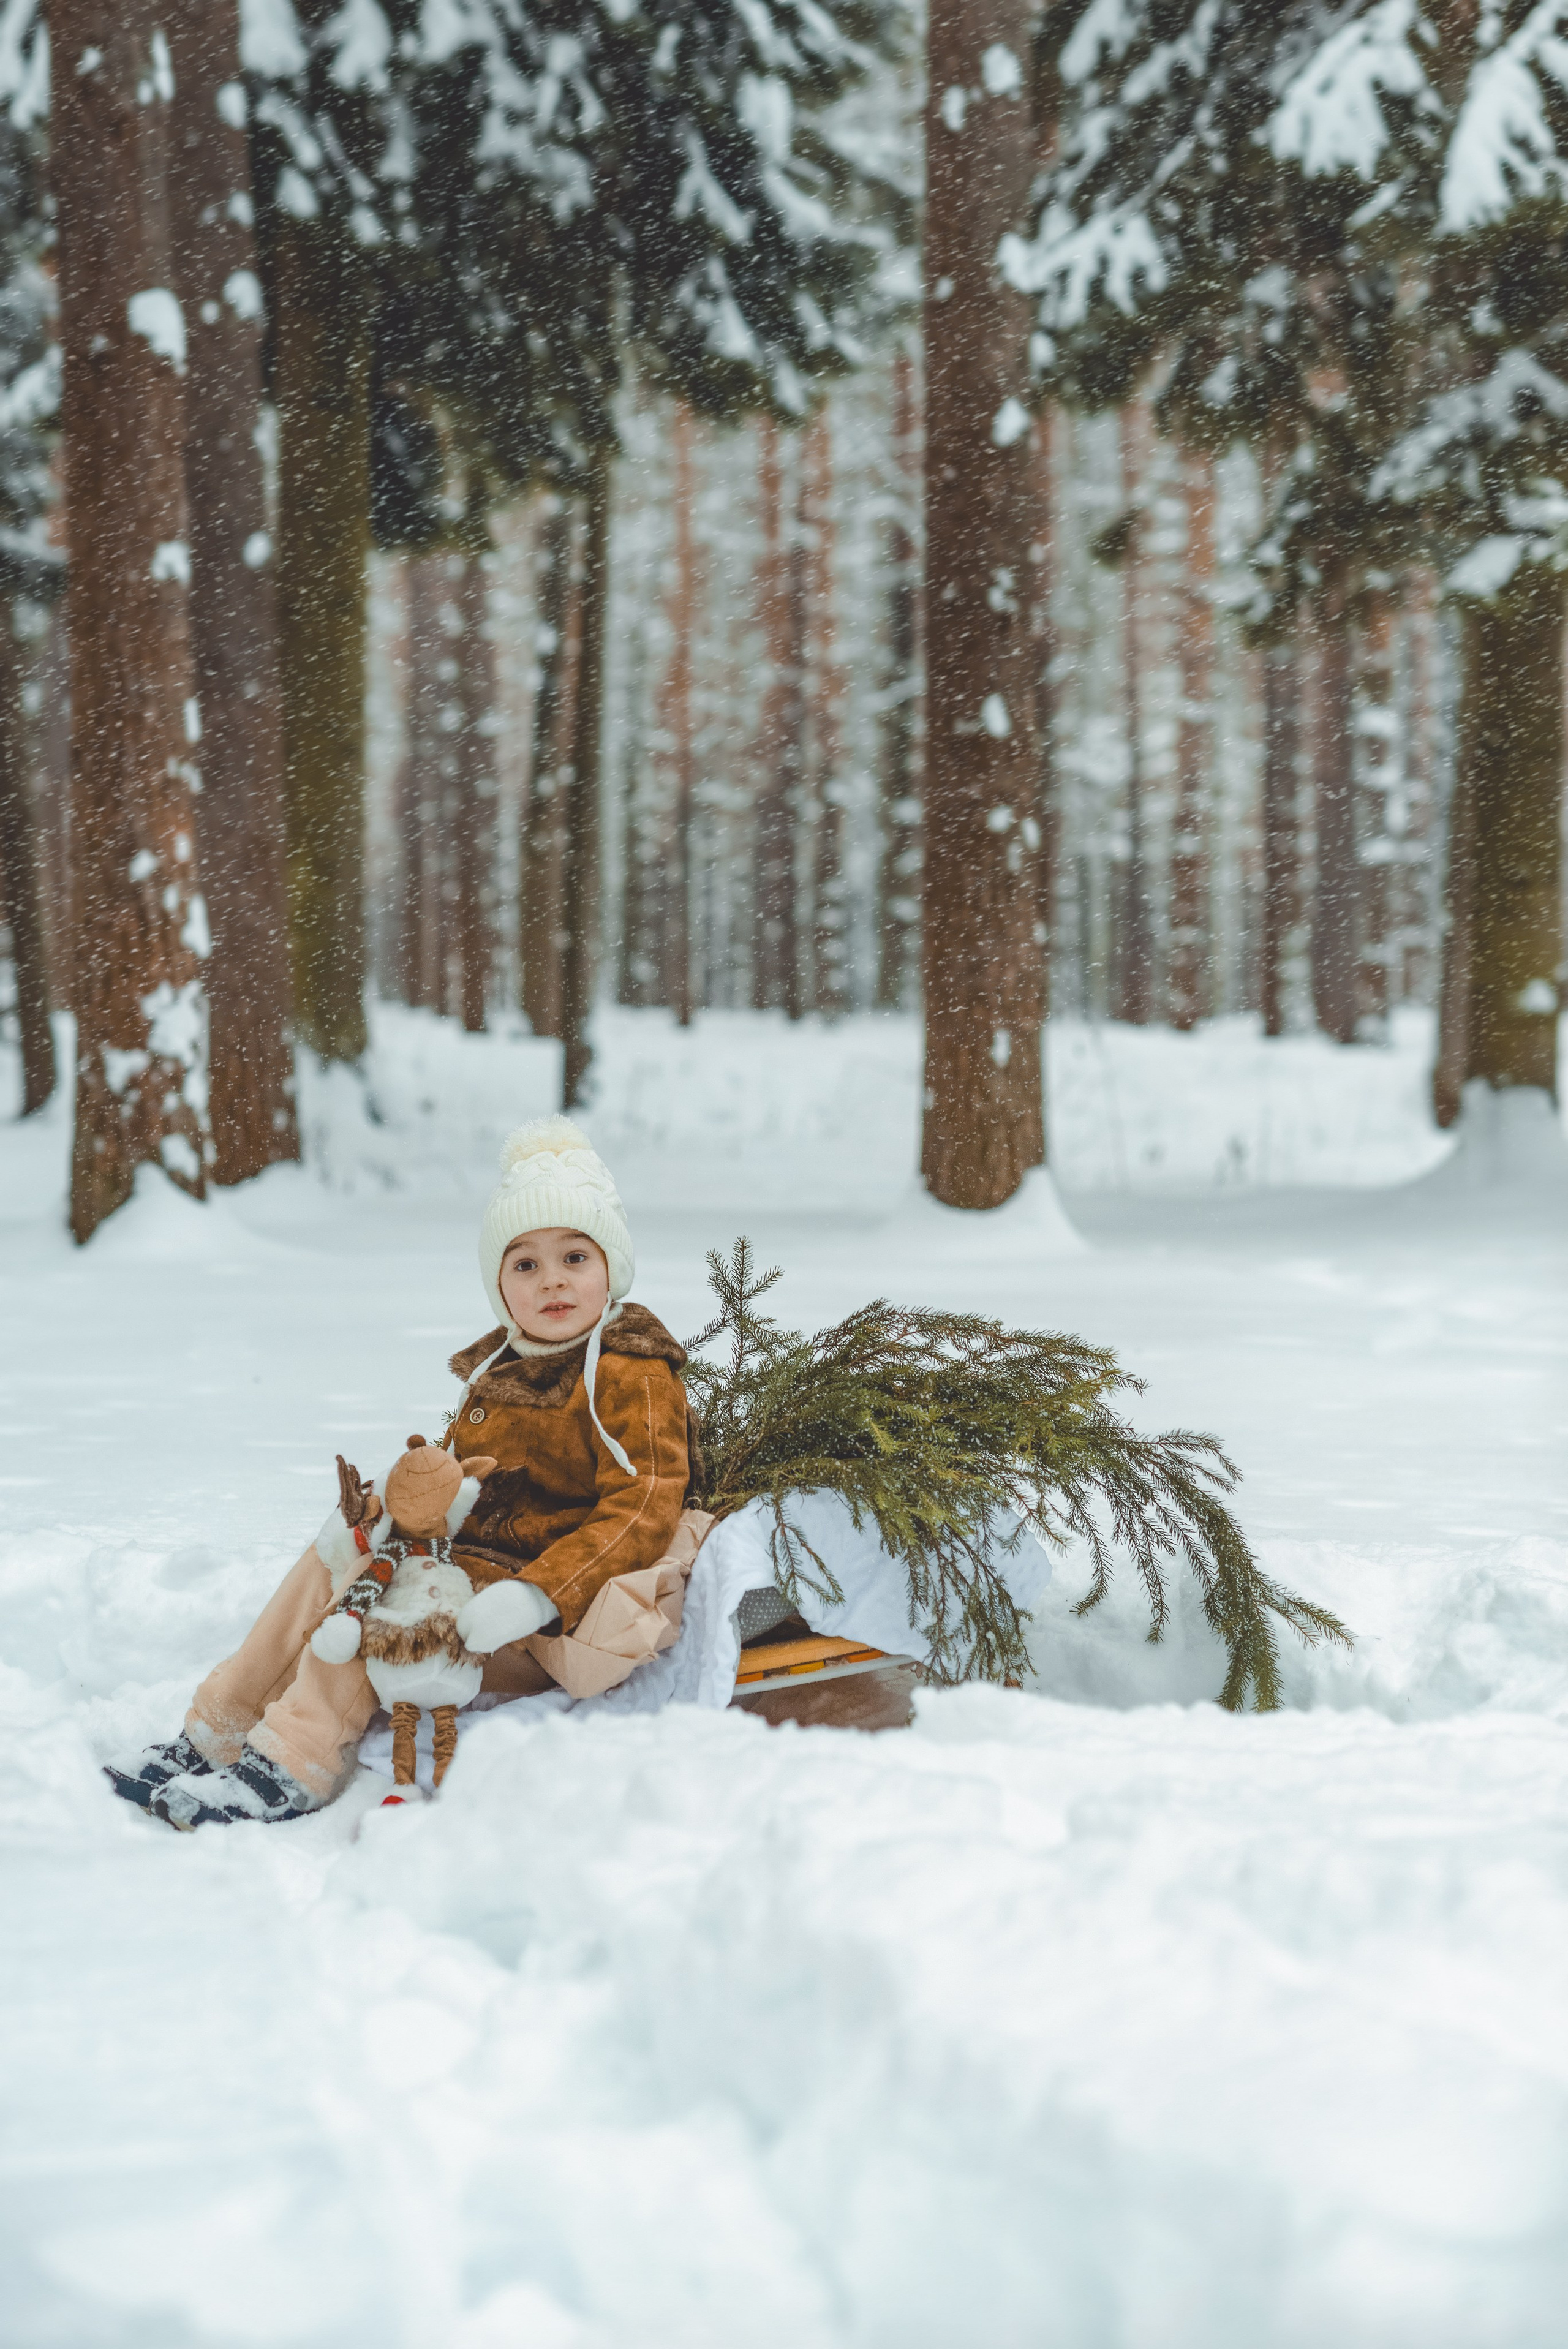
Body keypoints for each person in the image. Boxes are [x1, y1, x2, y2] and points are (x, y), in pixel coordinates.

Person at [106, 1118, 693, 1828]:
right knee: (330, 1570)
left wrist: (539, 1593)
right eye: (525, 1265)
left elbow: (643, 1505)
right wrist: (386, 1514)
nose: (553, 1282)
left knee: (377, 1611)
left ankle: (294, 1760)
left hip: (529, 1617)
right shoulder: (501, 1368)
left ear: (612, 1266)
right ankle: (217, 1728)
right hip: (462, 1571)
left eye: (575, 1256)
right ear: (499, 1284)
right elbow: (453, 1482)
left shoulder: (632, 1371)